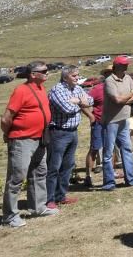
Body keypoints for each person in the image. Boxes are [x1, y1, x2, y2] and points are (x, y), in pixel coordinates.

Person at [1, 61, 55, 228]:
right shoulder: (21, 91)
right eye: (44, 71)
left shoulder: (41, 88)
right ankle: (10, 216)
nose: (47, 73)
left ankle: (38, 207)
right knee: (17, 177)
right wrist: (8, 134)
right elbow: (6, 117)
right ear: (33, 74)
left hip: (39, 138)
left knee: (39, 173)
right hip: (22, 140)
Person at [46, 66, 93, 209]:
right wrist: (80, 102)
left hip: (73, 132)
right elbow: (67, 109)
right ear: (65, 77)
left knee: (68, 165)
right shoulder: (57, 90)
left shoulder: (77, 89)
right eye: (74, 76)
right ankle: (49, 199)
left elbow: (90, 101)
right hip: (58, 133)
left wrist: (76, 100)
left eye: (78, 75)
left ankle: (61, 195)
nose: (77, 78)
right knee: (54, 167)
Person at [100, 56, 133, 190]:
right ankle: (109, 183)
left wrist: (126, 99)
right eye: (123, 65)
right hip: (111, 121)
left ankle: (131, 179)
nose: (126, 67)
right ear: (116, 66)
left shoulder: (128, 78)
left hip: (124, 119)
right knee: (108, 153)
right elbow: (117, 100)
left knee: (127, 149)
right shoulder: (109, 81)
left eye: (126, 64)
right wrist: (129, 97)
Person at [84, 67, 112, 188]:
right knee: (94, 149)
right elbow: (83, 103)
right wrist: (91, 116)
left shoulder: (117, 87)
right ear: (105, 75)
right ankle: (88, 176)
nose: (111, 75)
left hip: (112, 123)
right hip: (99, 123)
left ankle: (109, 174)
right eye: (109, 73)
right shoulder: (97, 89)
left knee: (110, 149)